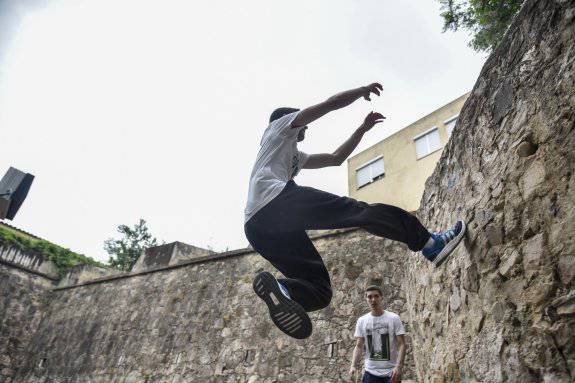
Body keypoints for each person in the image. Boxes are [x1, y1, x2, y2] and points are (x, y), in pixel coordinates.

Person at [245, 82, 466, 339]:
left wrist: (361, 129)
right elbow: (328, 105)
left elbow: (336, 158)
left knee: (320, 291)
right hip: (273, 202)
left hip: (258, 228)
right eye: (303, 124)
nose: (306, 127)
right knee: (358, 211)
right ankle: (430, 243)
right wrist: (360, 91)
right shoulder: (279, 128)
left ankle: (284, 291)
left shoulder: (293, 156)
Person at [349, 286, 406, 383]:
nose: (373, 299)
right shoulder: (362, 321)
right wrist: (353, 366)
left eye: (376, 296)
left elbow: (402, 344)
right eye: (370, 297)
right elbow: (359, 346)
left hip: (391, 372)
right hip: (370, 373)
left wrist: (398, 367)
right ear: (366, 299)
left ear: (381, 298)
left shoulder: (394, 318)